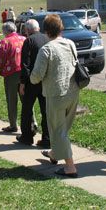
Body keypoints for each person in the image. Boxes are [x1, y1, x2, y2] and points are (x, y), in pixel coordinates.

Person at [30, 14, 80, 178]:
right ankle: (53, 153)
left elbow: (36, 76)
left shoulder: (47, 49)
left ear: (46, 31)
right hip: (73, 92)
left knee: (58, 130)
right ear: (61, 28)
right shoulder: (71, 44)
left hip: (56, 95)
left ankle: (70, 167)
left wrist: (30, 78)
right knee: (63, 128)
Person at [17, 19, 50, 148]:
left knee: (27, 109)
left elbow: (25, 64)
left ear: (27, 30)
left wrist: (22, 83)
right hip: (45, 80)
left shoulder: (29, 41)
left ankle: (27, 137)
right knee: (45, 110)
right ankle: (47, 138)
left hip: (31, 82)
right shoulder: (47, 39)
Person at [0, 22, 26, 132]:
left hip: (11, 73)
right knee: (26, 99)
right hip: (24, 72)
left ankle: (13, 124)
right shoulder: (24, 39)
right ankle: (32, 122)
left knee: (12, 100)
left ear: (5, 31)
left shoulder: (5, 41)